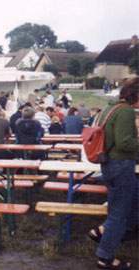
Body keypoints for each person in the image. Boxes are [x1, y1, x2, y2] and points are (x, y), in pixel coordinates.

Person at [88, 77, 139, 269]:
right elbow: (125, 142)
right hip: (121, 165)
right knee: (119, 213)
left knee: (131, 202)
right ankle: (105, 257)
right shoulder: (125, 111)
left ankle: (104, 232)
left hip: (109, 164)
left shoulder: (111, 108)